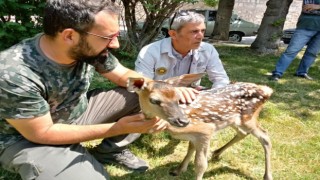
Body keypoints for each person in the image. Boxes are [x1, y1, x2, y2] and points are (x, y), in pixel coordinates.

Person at [0, 1, 197, 179]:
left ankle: (109, 151)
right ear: (69, 35)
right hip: (26, 138)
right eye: (108, 37)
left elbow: (123, 76)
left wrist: (160, 90)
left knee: (140, 93)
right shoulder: (14, 73)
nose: (116, 44)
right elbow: (42, 133)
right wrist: (119, 128)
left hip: (74, 113)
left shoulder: (86, 47)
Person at [135, 10, 230, 89]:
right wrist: (175, 92)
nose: (201, 36)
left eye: (203, 31)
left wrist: (211, 96)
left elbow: (221, 80)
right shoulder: (150, 52)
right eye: (194, 31)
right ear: (173, 34)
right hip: (161, 100)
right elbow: (143, 85)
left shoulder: (207, 50)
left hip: (193, 97)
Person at [269, 0, 320, 81]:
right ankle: (277, 73)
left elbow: (314, 7)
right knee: (291, 51)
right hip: (306, 26)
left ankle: (302, 72)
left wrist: (317, 7)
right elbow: (307, 8)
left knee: (312, 53)